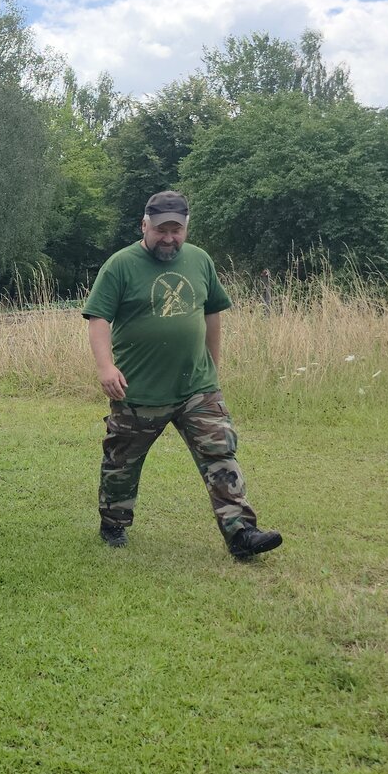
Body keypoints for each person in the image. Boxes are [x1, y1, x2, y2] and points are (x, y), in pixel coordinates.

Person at [82, 190, 283, 560]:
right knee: (122, 462)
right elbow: (98, 319)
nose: (169, 238)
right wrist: (105, 367)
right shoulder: (120, 265)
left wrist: (212, 368)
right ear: (144, 225)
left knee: (220, 452)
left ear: (186, 228)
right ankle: (114, 521)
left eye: (176, 230)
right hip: (139, 389)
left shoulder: (200, 260)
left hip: (197, 386)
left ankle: (241, 532)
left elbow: (212, 313)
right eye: (161, 230)